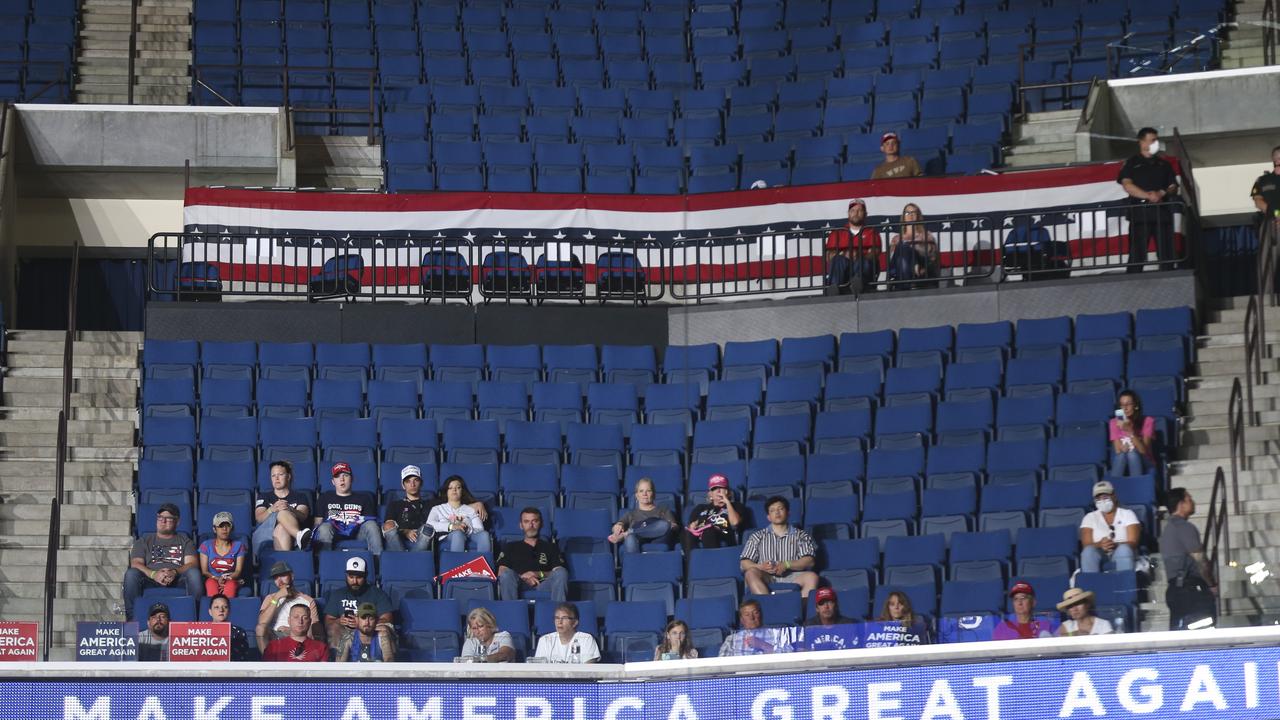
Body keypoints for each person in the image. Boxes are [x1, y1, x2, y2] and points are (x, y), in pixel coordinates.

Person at [122, 502, 202, 621]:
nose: (163, 521)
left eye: (168, 518)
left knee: (194, 574)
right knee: (131, 574)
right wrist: (154, 574)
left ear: (177, 521)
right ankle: (132, 619)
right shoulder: (144, 541)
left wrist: (175, 572)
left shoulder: (185, 541)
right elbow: (136, 563)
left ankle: (195, 619)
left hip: (177, 578)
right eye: (160, 517)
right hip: (150, 578)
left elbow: (192, 563)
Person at [1117, 127, 1180, 273]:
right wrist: (1148, 196)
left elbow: (1173, 186)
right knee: (1137, 255)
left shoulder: (1163, 164)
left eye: (1156, 140)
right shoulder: (1132, 163)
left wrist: (1161, 193)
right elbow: (1127, 185)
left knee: (1166, 255)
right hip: (1140, 214)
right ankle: (1133, 285)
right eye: (1153, 140)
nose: (1156, 143)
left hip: (1162, 213)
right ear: (1142, 142)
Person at [740, 496, 820, 598]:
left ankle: (800, 610)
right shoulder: (757, 536)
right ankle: (769, 606)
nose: (777, 512)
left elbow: (809, 561)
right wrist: (760, 567)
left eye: (780, 509)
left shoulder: (801, 535)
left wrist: (786, 564)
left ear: (788, 513)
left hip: (792, 575)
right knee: (750, 573)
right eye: (772, 510)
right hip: (766, 575)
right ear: (768, 517)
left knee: (812, 577)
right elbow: (744, 563)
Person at [1161, 488, 1218, 630]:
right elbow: (1199, 559)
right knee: (1203, 637)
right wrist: (1211, 584)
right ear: (1181, 504)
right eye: (1189, 499)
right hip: (1192, 591)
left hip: (1175, 590)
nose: (1192, 501)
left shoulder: (1168, 529)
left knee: (1181, 638)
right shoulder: (1185, 527)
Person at [323, 556, 395, 652]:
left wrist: (362, 623)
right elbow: (328, 621)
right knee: (334, 628)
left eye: (359, 577)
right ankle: (337, 663)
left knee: (384, 629)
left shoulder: (378, 594)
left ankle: (385, 665)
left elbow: (387, 619)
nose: (354, 581)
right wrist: (339, 620)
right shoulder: (337, 594)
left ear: (366, 575)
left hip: (370, 630)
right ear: (346, 575)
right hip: (345, 631)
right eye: (351, 577)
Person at [496, 507, 568, 602]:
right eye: (526, 521)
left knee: (562, 572)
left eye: (535, 521)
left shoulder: (551, 547)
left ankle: (559, 615)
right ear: (521, 525)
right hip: (519, 583)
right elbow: (502, 571)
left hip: (544, 584)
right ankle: (511, 613)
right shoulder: (510, 547)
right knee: (506, 575)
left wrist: (538, 574)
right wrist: (524, 577)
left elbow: (558, 571)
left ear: (541, 524)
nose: (531, 525)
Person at [314, 462, 382, 555]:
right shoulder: (325, 498)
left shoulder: (364, 498)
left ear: (352, 479)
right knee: (324, 528)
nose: (342, 479)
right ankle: (323, 564)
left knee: (372, 525)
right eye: (337, 476)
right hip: (333, 533)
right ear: (333, 482)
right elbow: (317, 523)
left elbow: (369, 521)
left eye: (345, 475)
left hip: (357, 533)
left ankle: (378, 564)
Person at [255, 560, 323, 649]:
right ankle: (267, 660)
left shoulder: (307, 600)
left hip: (299, 636)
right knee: (260, 629)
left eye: (283, 576)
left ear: (292, 576)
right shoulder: (270, 598)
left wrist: (292, 631)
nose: (279, 581)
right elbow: (262, 622)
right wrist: (277, 597)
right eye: (275, 578)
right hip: (275, 635)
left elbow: (314, 629)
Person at [824, 198, 883, 295]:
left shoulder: (872, 232)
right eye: (853, 210)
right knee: (838, 259)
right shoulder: (837, 232)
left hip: (863, 271)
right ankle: (834, 288)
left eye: (860, 210)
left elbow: (875, 253)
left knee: (862, 261)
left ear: (865, 214)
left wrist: (859, 254)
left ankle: (857, 284)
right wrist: (845, 254)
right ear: (848, 213)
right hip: (844, 270)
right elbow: (829, 256)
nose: (856, 213)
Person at [1080, 479, 1140, 574]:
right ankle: (1091, 586)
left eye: (1105, 496)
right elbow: (1086, 544)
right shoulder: (1089, 517)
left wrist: (1116, 545)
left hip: (1120, 551)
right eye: (1098, 498)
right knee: (1088, 552)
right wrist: (1100, 544)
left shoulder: (1127, 514)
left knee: (1124, 550)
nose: (1102, 501)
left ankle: (1124, 583)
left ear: (1114, 496)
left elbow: (1133, 542)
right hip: (1100, 553)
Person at [252, 459, 312, 552]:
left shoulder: (300, 496)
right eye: (273, 475)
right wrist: (272, 509)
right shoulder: (264, 496)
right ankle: (298, 535)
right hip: (266, 533)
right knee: (281, 512)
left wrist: (289, 508)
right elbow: (259, 518)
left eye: (280, 475)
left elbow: (303, 516)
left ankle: (283, 562)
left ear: (288, 476)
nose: (276, 478)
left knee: (281, 526)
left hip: (289, 533)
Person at [609, 477, 679, 554]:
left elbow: (674, 527)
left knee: (665, 525)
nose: (644, 494)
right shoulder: (631, 514)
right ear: (637, 495)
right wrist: (618, 526)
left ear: (654, 494)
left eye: (648, 491)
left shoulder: (663, 510)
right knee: (630, 538)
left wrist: (671, 526)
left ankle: (632, 532)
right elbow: (617, 526)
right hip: (637, 541)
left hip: (659, 539)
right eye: (641, 491)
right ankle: (634, 563)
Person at [426, 475, 492, 553]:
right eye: (450, 488)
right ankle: (456, 564)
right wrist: (451, 526)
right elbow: (429, 524)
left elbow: (480, 529)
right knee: (458, 534)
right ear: (446, 491)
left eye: (458, 487)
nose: (454, 490)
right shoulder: (437, 509)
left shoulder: (470, 509)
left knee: (484, 534)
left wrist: (468, 529)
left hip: (469, 535)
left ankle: (481, 564)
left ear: (462, 491)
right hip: (447, 536)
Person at [681, 473, 745, 552]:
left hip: (723, 534)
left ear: (728, 492)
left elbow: (735, 522)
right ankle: (691, 562)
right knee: (686, 534)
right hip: (700, 535)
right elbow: (691, 527)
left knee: (709, 531)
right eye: (715, 488)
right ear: (710, 494)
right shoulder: (700, 508)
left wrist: (727, 502)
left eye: (722, 488)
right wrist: (694, 525)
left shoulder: (736, 506)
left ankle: (712, 560)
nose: (719, 491)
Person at [888, 203, 940, 289]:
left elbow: (933, 259)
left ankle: (909, 278)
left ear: (918, 215)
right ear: (903, 217)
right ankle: (909, 274)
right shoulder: (896, 239)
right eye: (907, 213)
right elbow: (892, 259)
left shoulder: (927, 236)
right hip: (901, 271)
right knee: (903, 247)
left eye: (913, 212)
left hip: (922, 270)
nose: (910, 215)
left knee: (904, 247)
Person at [383, 464, 433, 552]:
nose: (412, 484)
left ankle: (408, 560)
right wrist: (405, 531)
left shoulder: (430, 504)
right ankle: (406, 559)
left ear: (421, 483)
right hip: (399, 536)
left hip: (422, 536)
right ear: (403, 485)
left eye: (416, 480)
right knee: (388, 525)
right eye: (408, 481)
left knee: (428, 529)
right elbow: (389, 526)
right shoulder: (395, 504)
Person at [718, 599, 791, 656]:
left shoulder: (776, 634)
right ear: (741, 620)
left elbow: (790, 657)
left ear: (761, 615)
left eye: (755, 613)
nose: (752, 617)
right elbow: (721, 664)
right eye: (747, 615)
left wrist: (764, 646)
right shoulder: (732, 639)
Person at [198, 511, 246, 598]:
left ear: (232, 528)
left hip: (231, 579)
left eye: (228, 525)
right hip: (213, 578)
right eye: (221, 526)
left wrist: (226, 580)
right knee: (210, 583)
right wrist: (218, 579)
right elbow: (205, 571)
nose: (224, 529)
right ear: (214, 529)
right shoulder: (206, 545)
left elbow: (238, 571)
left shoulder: (239, 546)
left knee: (230, 585)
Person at [1109, 390, 1156, 476]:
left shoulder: (1148, 421)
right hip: (1123, 459)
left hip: (1144, 459)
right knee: (1122, 455)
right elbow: (1117, 450)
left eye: (1128, 404)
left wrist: (1130, 432)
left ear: (1136, 406)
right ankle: (1114, 485)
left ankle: (1137, 485)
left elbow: (1143, 451)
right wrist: (1123, 448)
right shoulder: (1114, 422)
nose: (1125, 408)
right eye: (1122, 405)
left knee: (1132, 454)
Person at [533, 603, 600, 663]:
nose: (559, 622)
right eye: (557, 618)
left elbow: (588, 670)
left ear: (575, 622)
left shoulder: (586, 639)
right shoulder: (545, 640)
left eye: (564, 618)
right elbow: (539, 669)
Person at [262, 604, 329, 662]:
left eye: (305, 618)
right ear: (289, 621)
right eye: (296, 617)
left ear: (310, 622)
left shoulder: (321, 648)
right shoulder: (273, 646)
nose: (300, 621)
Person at [208, 593, 252, 661]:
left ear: (229, 611)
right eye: (216, 607)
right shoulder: (202, 631)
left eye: (225, 607)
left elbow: (243, 660)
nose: (221, 610)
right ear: (210, 612)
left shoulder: (239, 632)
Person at [1250, 145, 1280, 217]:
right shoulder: (1262, 180)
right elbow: (1258, 202)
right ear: (1276, 160)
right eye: (1277, 158)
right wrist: (1277, 215)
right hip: (1272, 223)